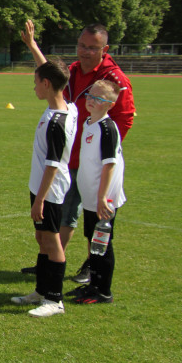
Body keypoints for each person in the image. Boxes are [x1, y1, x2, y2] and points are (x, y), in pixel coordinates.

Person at [19, 20, 134, 281]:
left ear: (105, 49)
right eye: (82, 45)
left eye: (92, 48)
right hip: (70, 158)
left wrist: (99, 152)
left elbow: (125, 118)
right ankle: (52, 261)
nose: (85, 51)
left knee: (96, 219)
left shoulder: (114, 78)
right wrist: (33, 46)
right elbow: (51, 77)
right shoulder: (72, 71)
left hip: (94, 164)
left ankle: (92, 272)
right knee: (65, 215)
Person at [10, 59, 78, 318]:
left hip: (48, 190)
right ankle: (40, 291)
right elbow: (57, 73)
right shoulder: (67, 107)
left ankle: (54, 300)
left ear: (47, 84)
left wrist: (39, 200)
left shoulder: (56, 122)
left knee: (52, 241)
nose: (34, 87)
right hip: (40, 188)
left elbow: (52, 165)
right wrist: (32, 46)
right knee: (41, 239)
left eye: (36, 82)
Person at [69, 79, 125, 305]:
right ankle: (92, 285)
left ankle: (103, 291)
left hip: (103, 199)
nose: (91, 101)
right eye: (90, 95)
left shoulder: (107, 128)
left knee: (102, 242)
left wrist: (103, 197)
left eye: (98, 99)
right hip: (91, 197)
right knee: (92, 241)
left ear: (109, 104)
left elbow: (109, 164)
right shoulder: (90, 122)